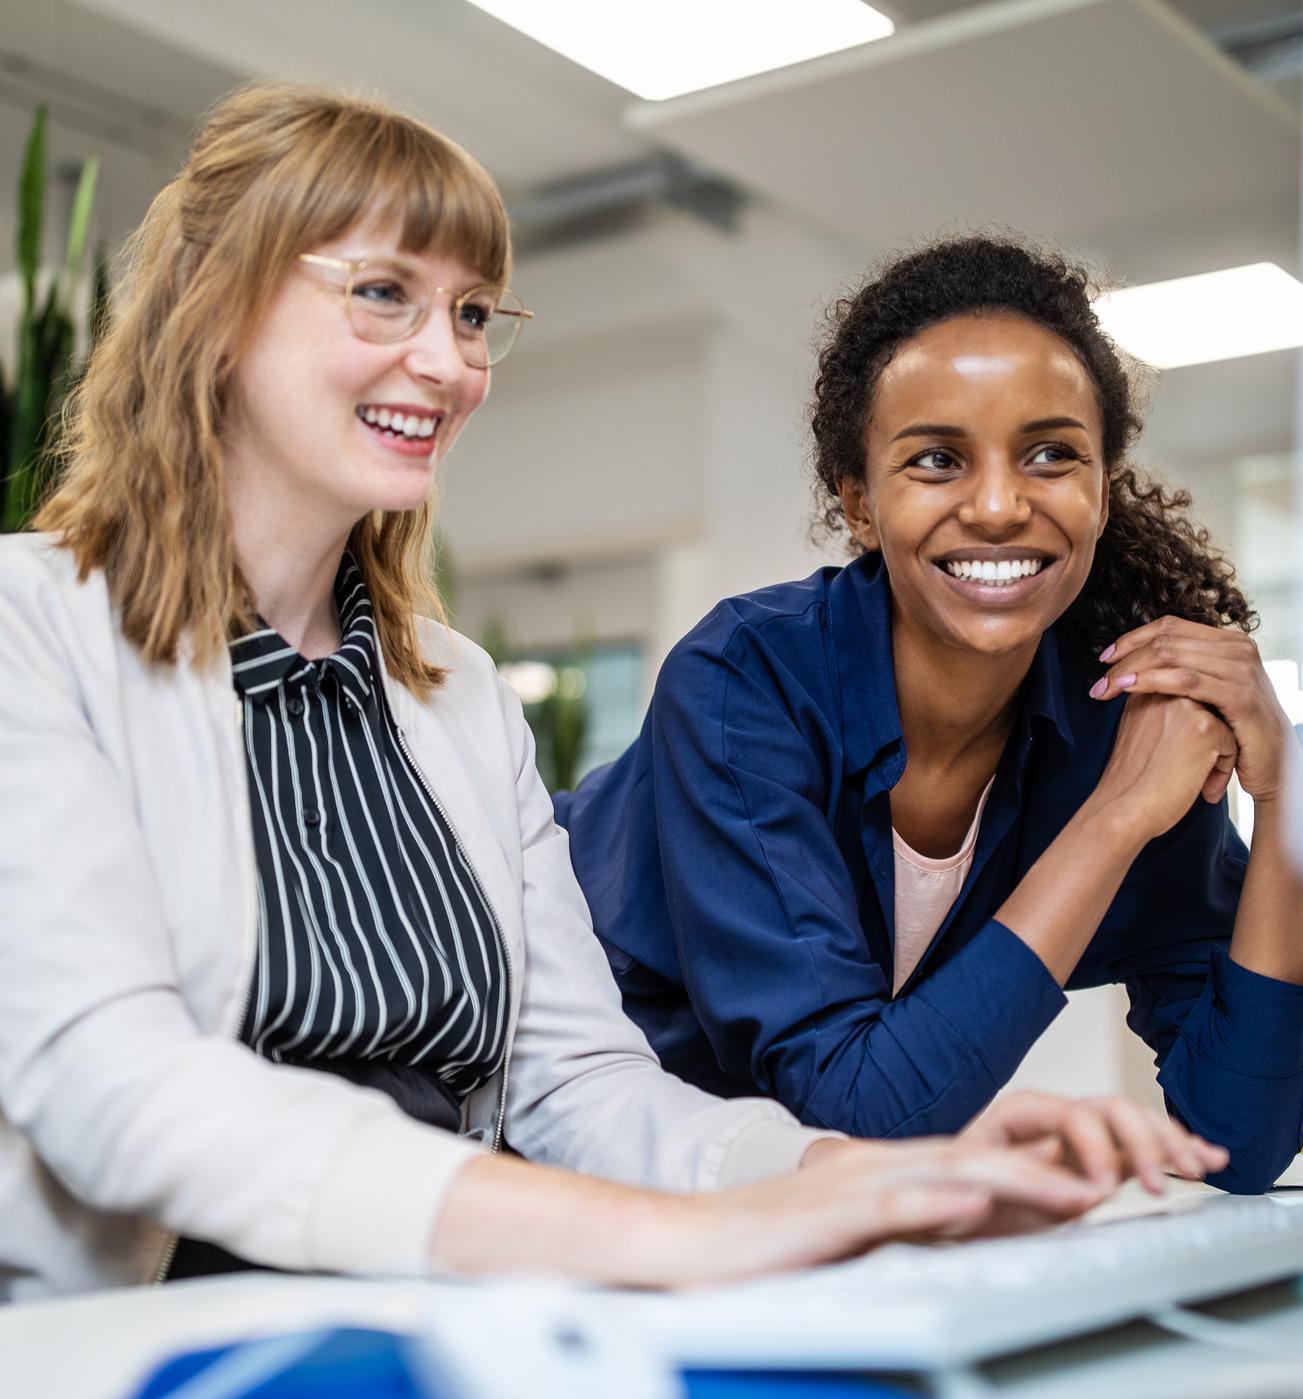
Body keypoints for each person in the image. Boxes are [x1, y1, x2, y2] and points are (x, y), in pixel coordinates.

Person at [0, 89, 1225, 1305]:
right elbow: (115, 1083)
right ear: (215, 301)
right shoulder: (30, 628)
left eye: (473, 313)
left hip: (429, 1304)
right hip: (141, 1332)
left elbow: (578, 1084)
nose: (448, 360)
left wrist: (871, 1178)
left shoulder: (454, 694)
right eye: (384, 293)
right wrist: (639, 1239)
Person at [555, 237, 1303, 1195]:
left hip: (778, 1194)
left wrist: (1281, 783)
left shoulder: (1116, 720)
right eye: (936, 460)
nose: (1000, 505)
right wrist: (1117, 819)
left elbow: (1239, 1139)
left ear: (1100, 488)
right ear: (861, 506)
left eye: (1052, 455)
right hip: (543, 1122)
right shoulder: (744, 680)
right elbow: (861, 1107)